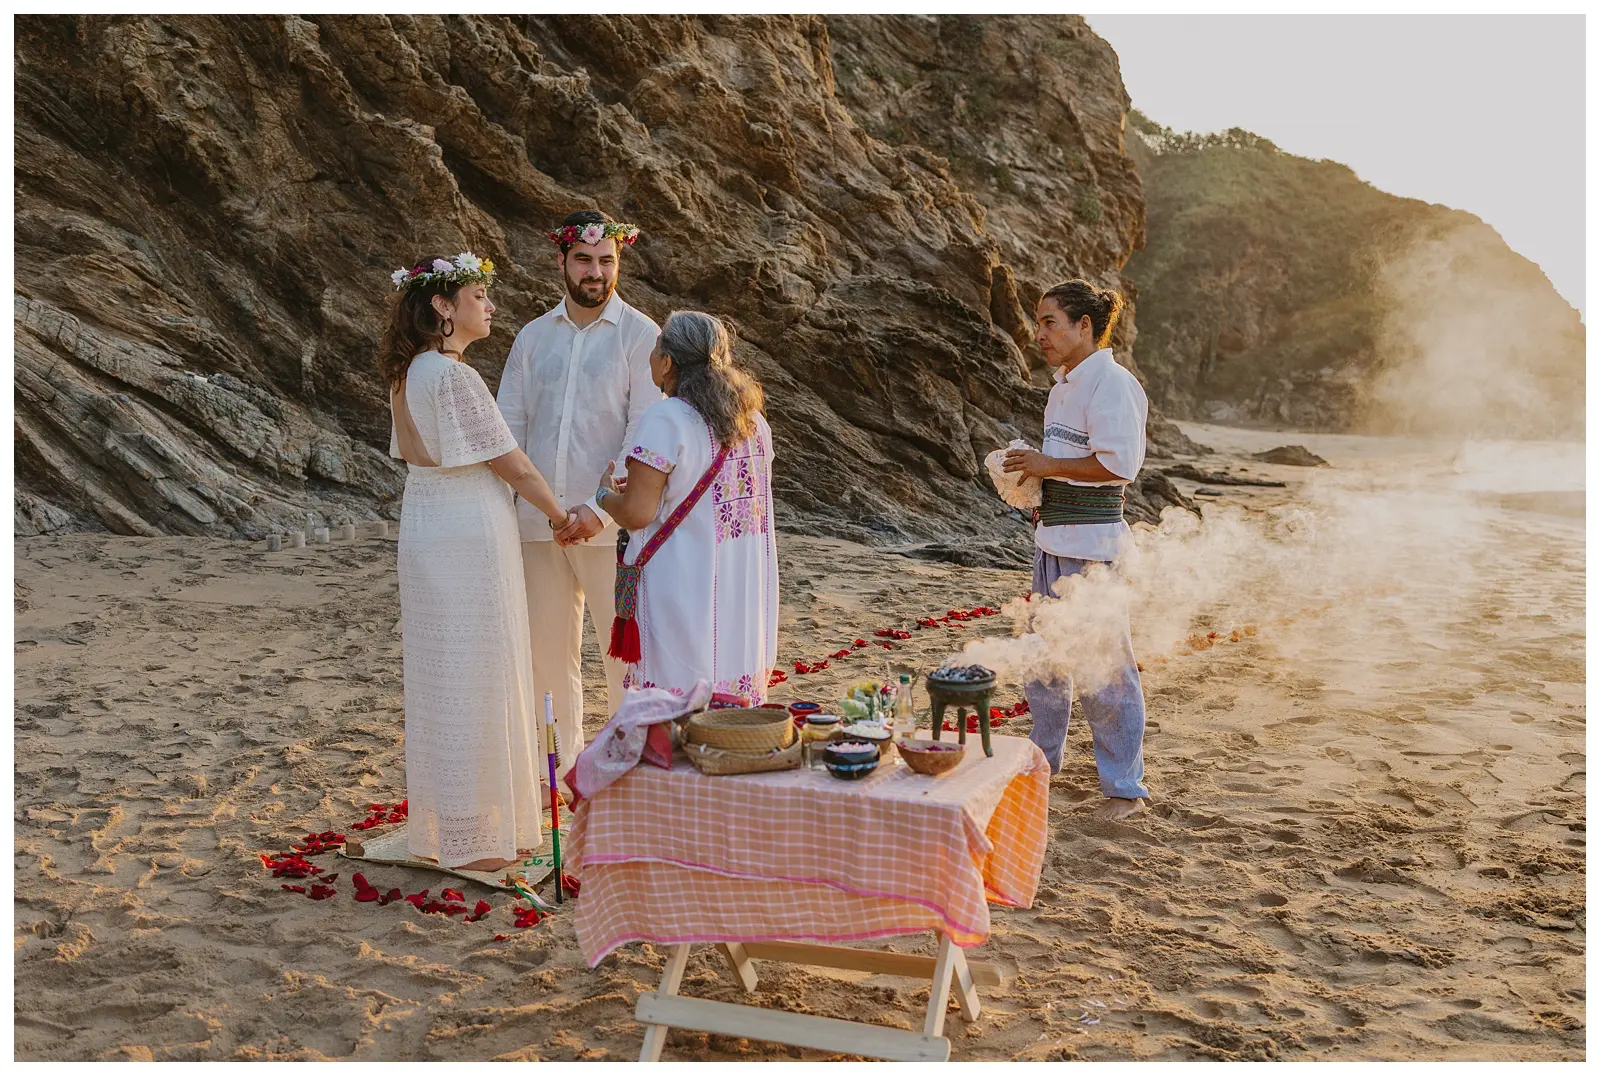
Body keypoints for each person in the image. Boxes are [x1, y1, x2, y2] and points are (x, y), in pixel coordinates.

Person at [383, 252, 576, 873]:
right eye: (478, 296)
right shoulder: (453, 376)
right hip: (469, 527)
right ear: (443, 306)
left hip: (425, 519)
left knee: (446, 672)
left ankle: (458, 825)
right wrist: (558, 513)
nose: (489, 307)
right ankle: (484, 837)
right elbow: (511, 462)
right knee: (482, 668)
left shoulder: (407, 372)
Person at [496, 211, 660, 784]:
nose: (596, 272)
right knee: (547, 659)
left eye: (607, 261)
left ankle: (622, 782)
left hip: (610, 526)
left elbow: (645, 433)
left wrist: (594, 508)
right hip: (536, 524)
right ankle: (556, 779)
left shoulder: (642, 336)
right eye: (585, 260)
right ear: (562, 262)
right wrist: (539, 507)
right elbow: (508, 430)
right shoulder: (532, 337)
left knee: (623, 660)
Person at [1002, 280, 1150, 821]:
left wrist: (1047, 466)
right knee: (1045, 666)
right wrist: (1028, 476)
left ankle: (1124, 784)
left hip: (1093, 550)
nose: (1038, 333)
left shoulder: (1112, 384)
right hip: (1051, 540)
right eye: (1039, 322)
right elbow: (1063, 461)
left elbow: (1119, 467)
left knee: (1106, 671)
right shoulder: (1063, 385)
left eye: (1049, 322)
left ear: (1083, 326)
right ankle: (1045, 763)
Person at [594, 311, 778, 703]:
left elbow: (637, 513)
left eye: (657, 345)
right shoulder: (753, 421)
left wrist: (603, 496)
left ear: (667, 362)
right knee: (729, 698)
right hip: (739, 580)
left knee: (679, 698)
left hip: (682, 582)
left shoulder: (666, 417)